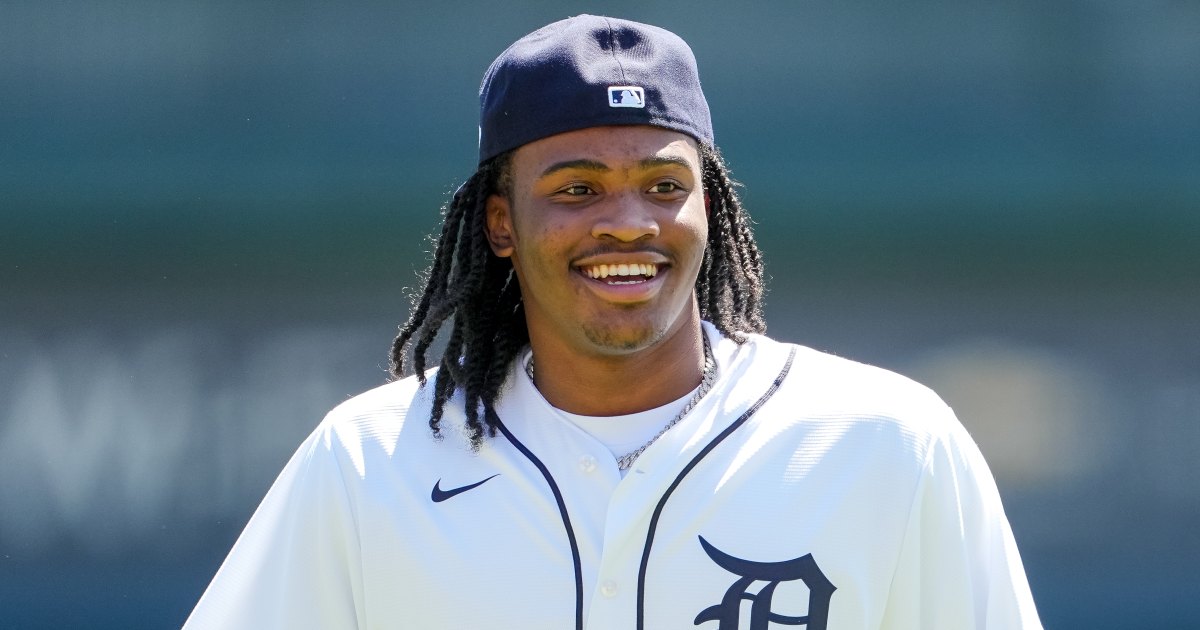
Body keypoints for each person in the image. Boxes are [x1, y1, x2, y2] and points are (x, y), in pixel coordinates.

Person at [185, 14, 1042, 630]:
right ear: (500, 223)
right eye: (577, 189)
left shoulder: (886, 442)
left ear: (710, 209)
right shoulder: (370, 462)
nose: (629, 223)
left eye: (665, 186)